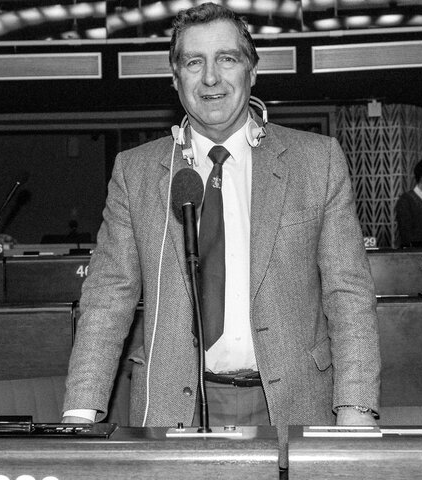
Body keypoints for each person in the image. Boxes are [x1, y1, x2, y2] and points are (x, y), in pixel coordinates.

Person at [62, 3, 380, 432]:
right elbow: (106, 299)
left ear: (252, 70)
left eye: (226, 59)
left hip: (294, 404)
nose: (210, 77)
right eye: (194, 62)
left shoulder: (317, 161)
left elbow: (349, 295)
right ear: (176, 80)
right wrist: (78, 416)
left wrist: (356, 410)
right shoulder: (135, 172)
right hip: (173, 407)